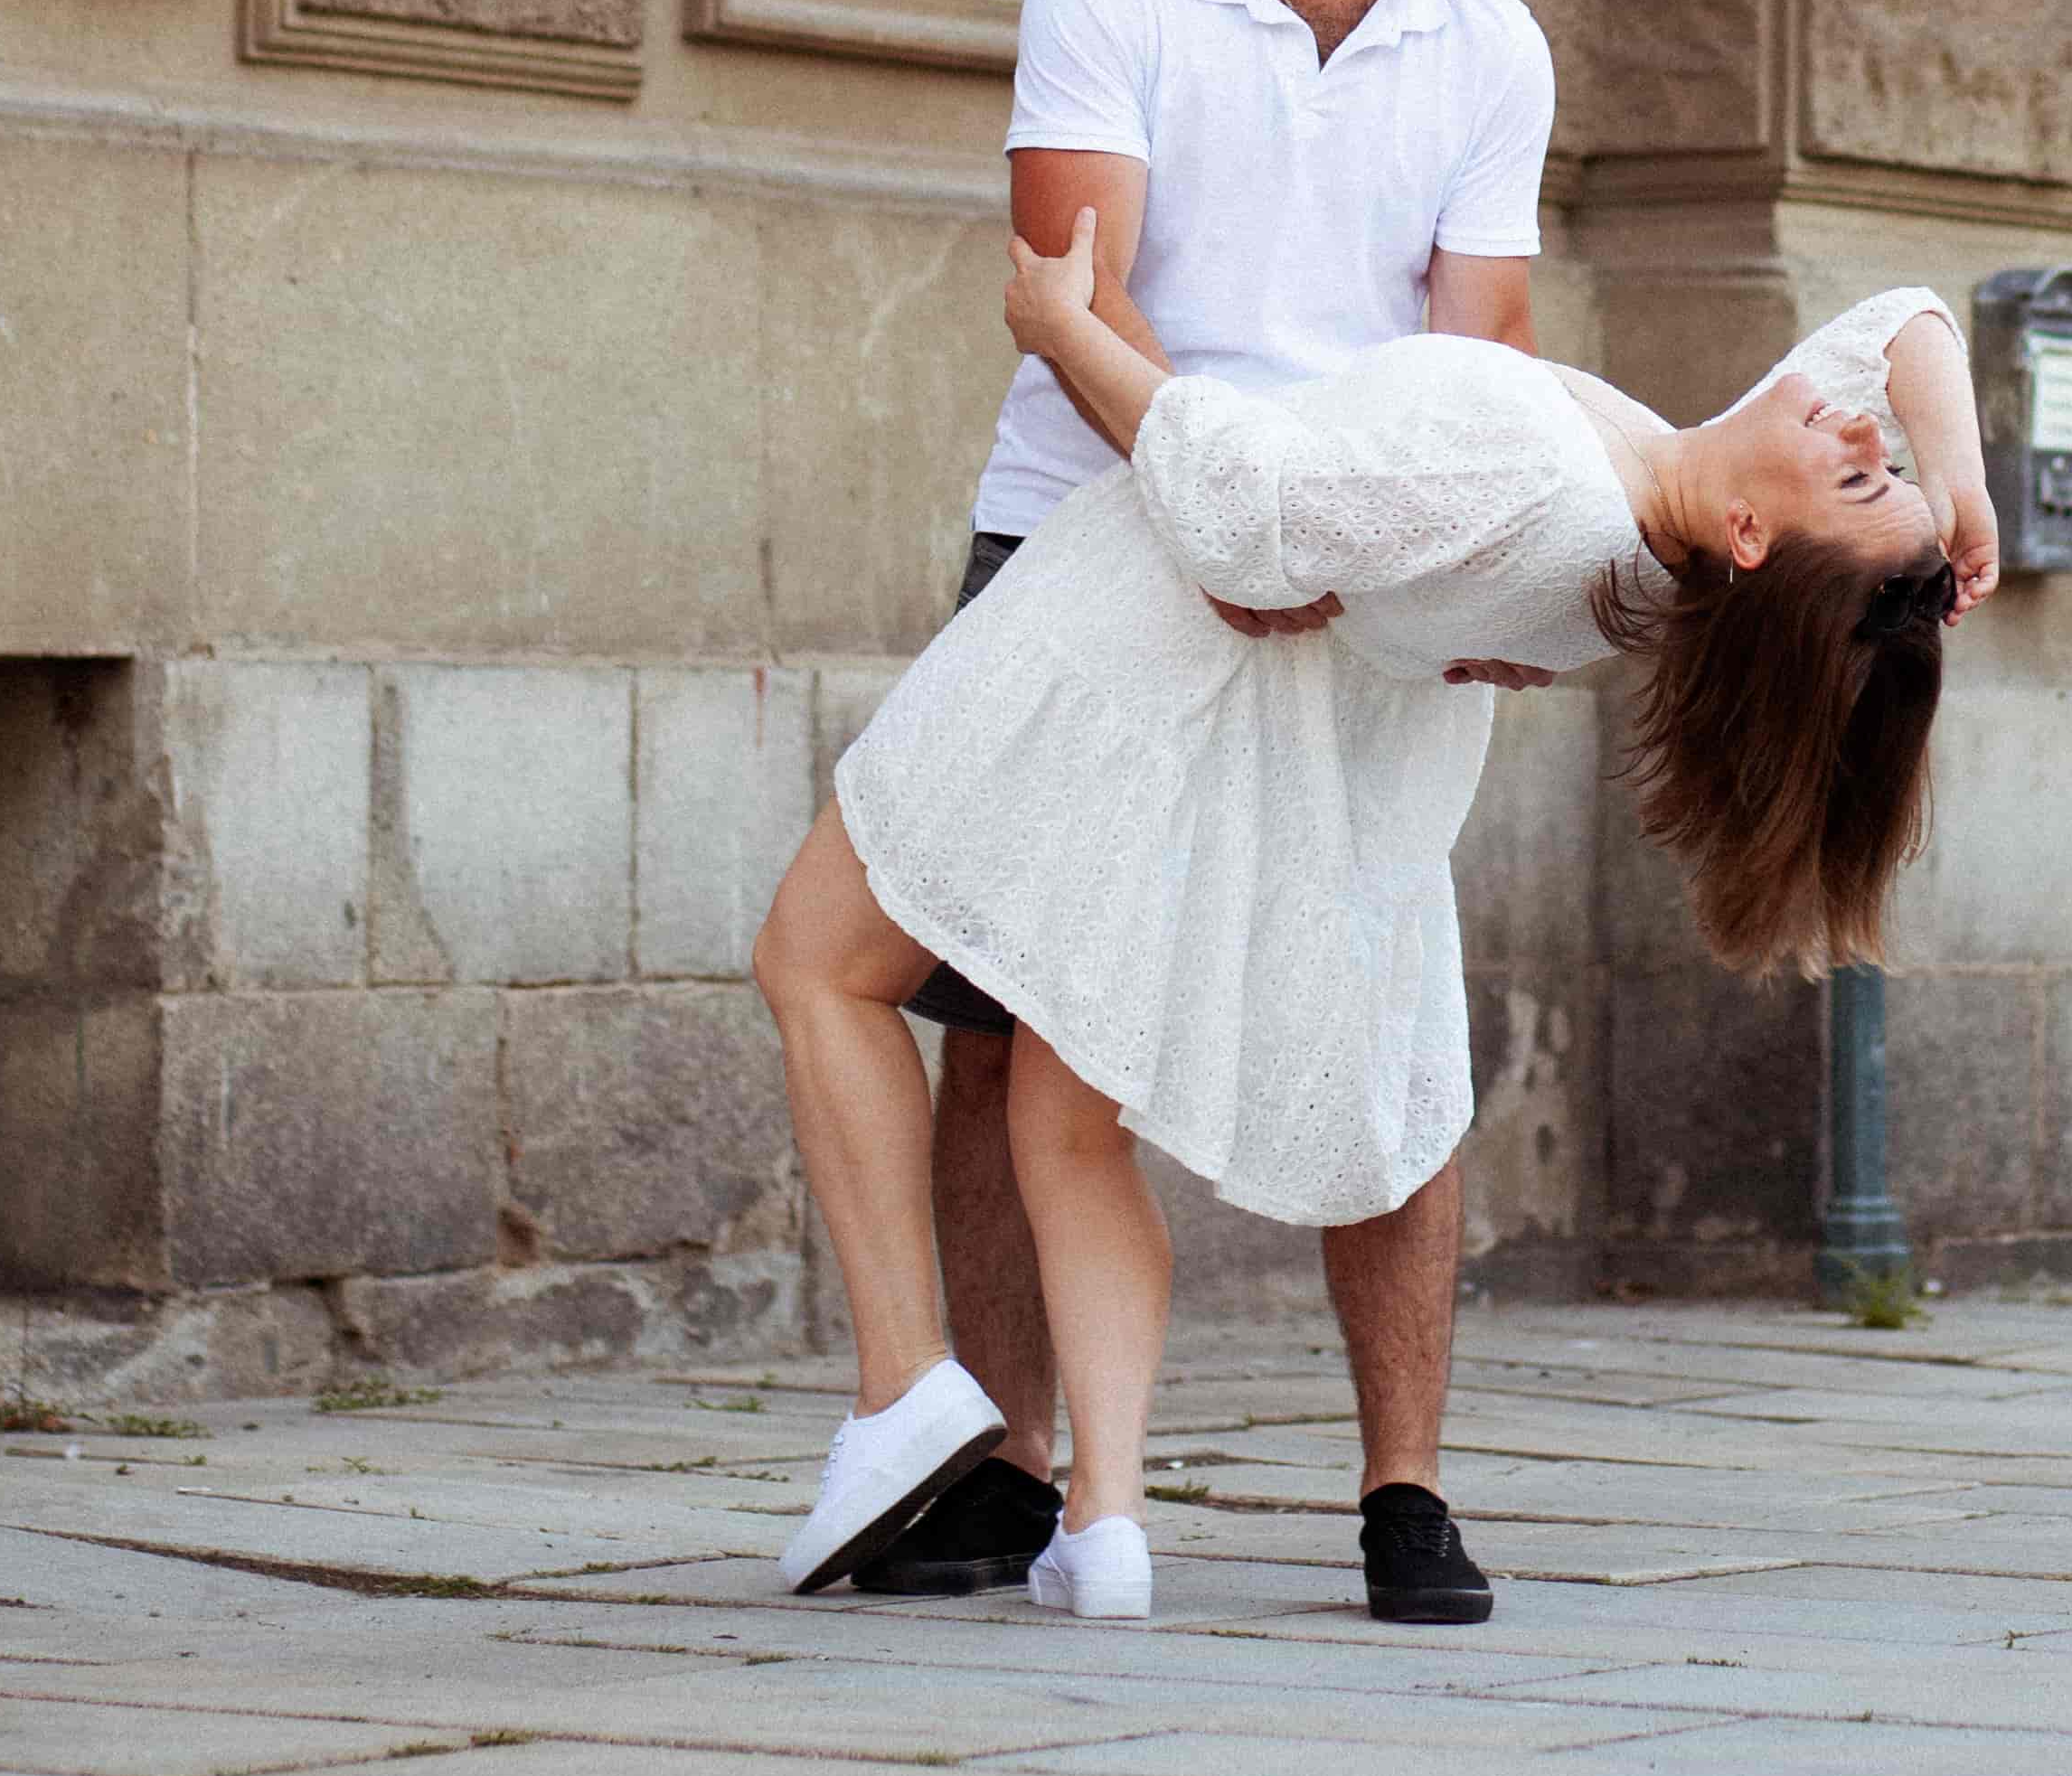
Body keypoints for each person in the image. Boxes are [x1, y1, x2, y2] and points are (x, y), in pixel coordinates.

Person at [754, 239, 1993, 1619]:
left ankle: (905, 1386)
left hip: (1111, 669)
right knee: (1066, 1126)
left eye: (1863, 473)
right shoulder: (1659, 563)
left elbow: (1241, 511)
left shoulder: (1536, 480)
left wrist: (1057, 323)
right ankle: (1102, 1525)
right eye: (1878, 459)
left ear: (1755, 537)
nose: (1864, 433)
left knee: (818, 964)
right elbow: (1899, 324)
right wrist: (1952, 491)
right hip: (1211, 742)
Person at [830, 0, 1560, 1628]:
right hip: (1087, 537)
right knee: (998, 1015)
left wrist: (1433, 554)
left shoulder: (1489, 48)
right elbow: (1084, 304)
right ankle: (1006, 1472)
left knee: (1382, 1020)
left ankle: (1403, 1492)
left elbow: (1478, 355)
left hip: (1355, 571)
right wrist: (1235, 509)